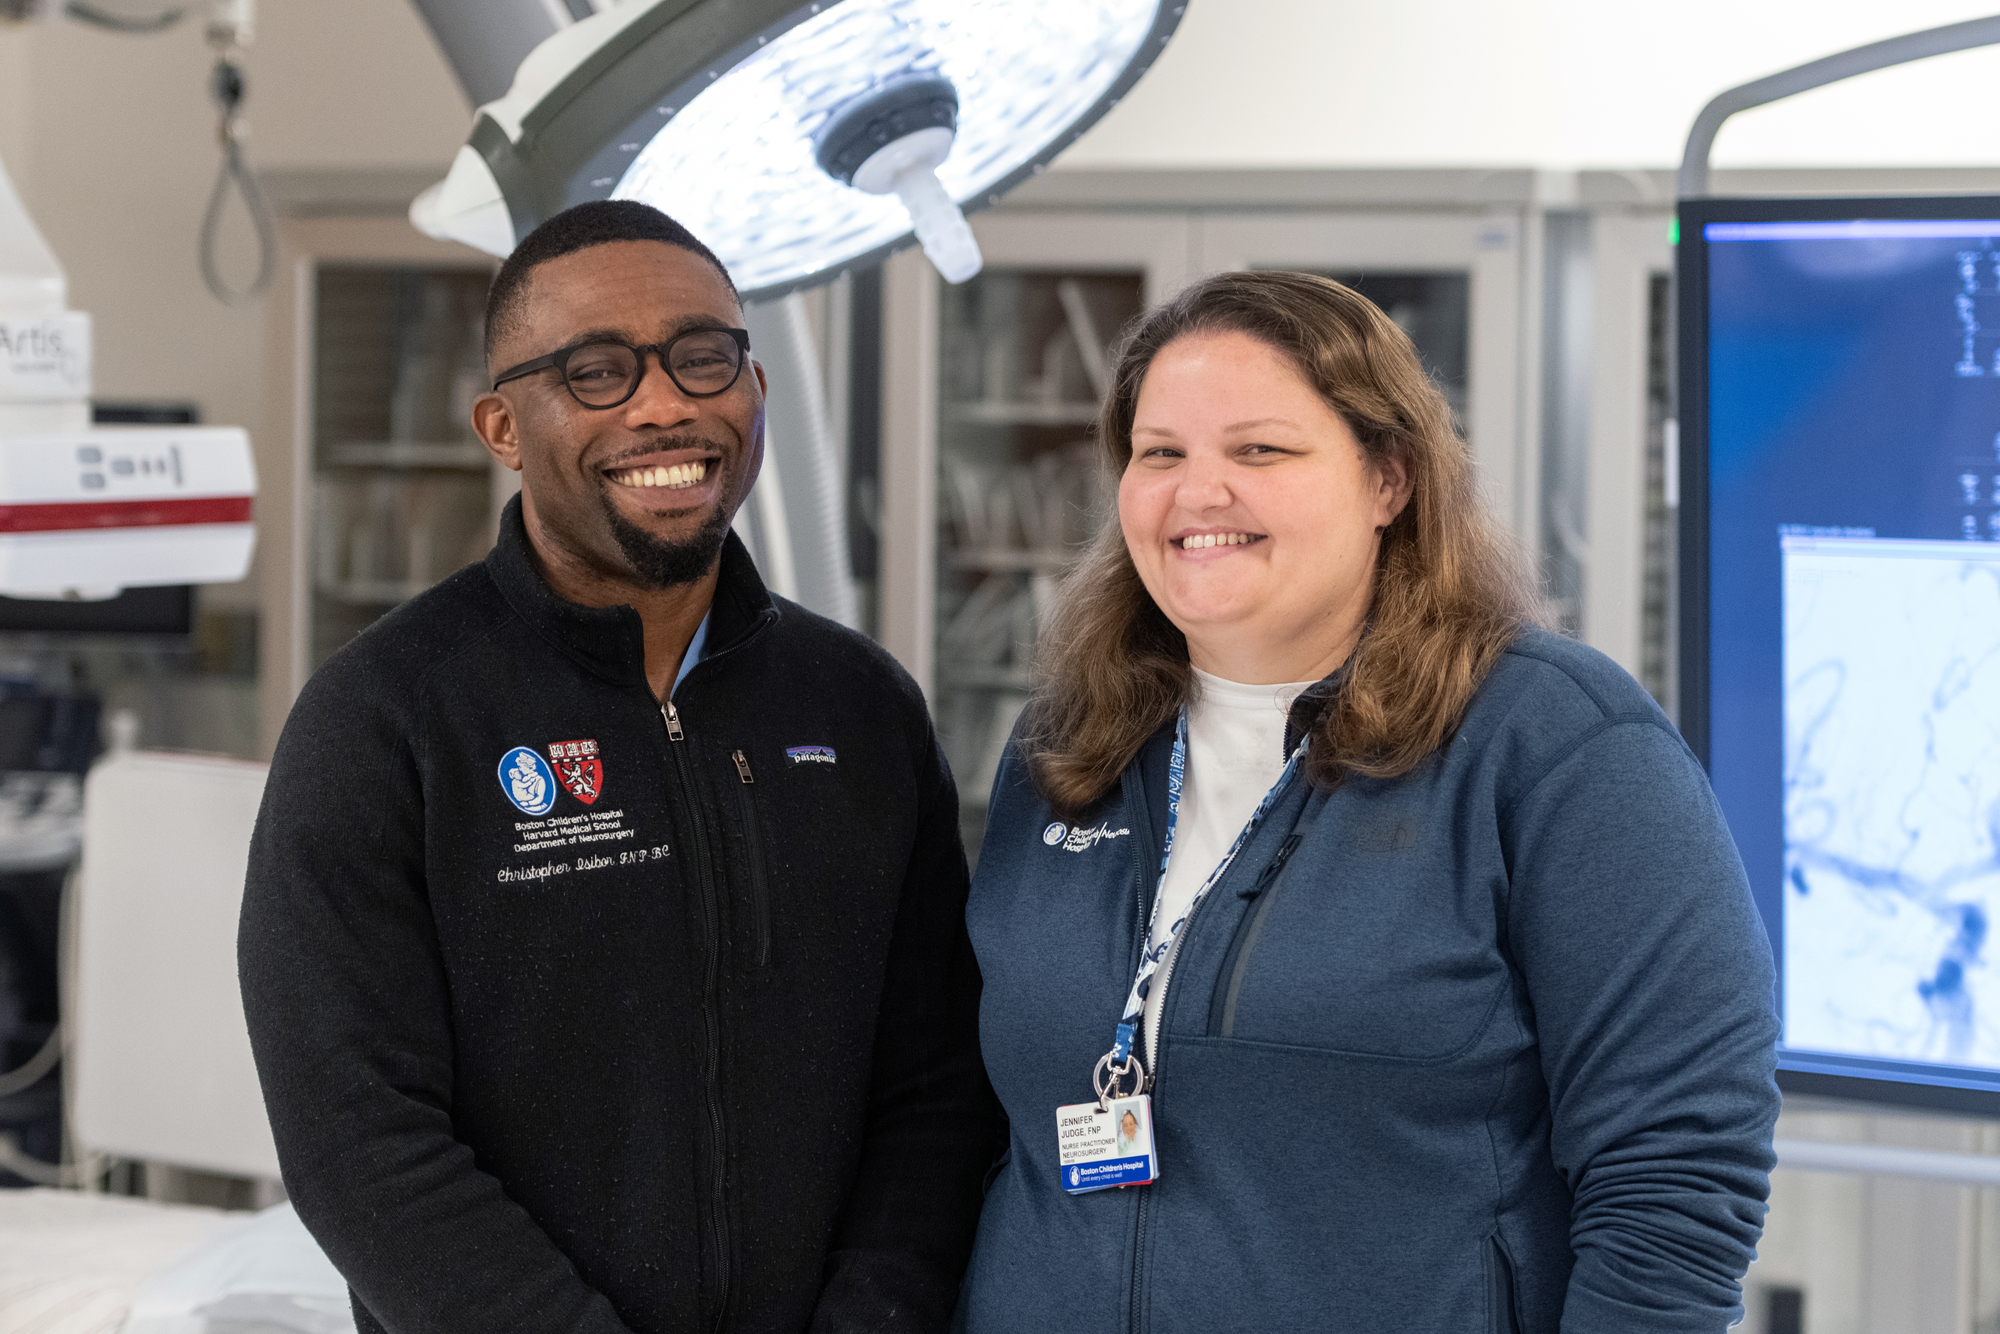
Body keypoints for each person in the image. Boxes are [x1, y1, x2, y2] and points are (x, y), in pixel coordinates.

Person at [955, 271, 1779, 1332]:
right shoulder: (1066, 742)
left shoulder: (1555, 743)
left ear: (1387, 478)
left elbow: (1678, 1167)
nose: (1196, 492)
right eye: (1159, 453)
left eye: (1259, 449)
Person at [240, 200, 998, 1334]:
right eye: (596, 371)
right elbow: (359, 1137)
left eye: (705, 357)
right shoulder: (385, 719)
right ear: (502, 424)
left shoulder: (861, 708)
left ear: (754, 387)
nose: (665, 404)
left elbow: (932, 1088)